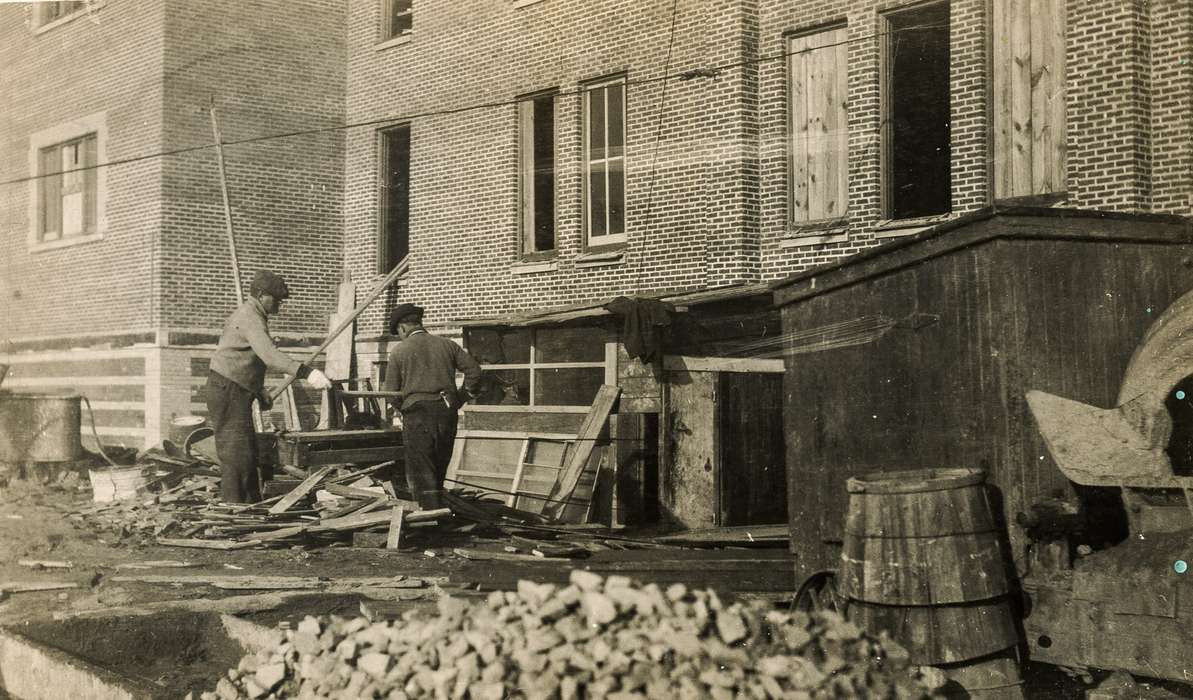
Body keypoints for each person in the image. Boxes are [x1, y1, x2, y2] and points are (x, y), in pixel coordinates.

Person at [206, 270, 333, 503]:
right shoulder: (250, 317)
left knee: (245, 450)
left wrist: (259, 390)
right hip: (228, 390)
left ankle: (246, 505)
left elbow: (247, 358)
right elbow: (269, 356)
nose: (279, 305)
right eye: (276, 299)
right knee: (237, 453)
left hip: (234, 388)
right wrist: (307, 372)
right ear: (262, 295)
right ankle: (234, 510)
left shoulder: (253, 314)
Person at [384, 303, 482, 509]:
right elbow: (475, 371)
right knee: (440, 463)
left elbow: (390, 393)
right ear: (419, 323)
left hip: (417, 414)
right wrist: (461, 397)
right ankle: (438, 513)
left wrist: (404, 408)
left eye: (399, 332)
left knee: (422, 469)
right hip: (446, 411)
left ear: (402, 328)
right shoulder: (448, 344)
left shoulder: (399, 351)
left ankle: (431, 521)